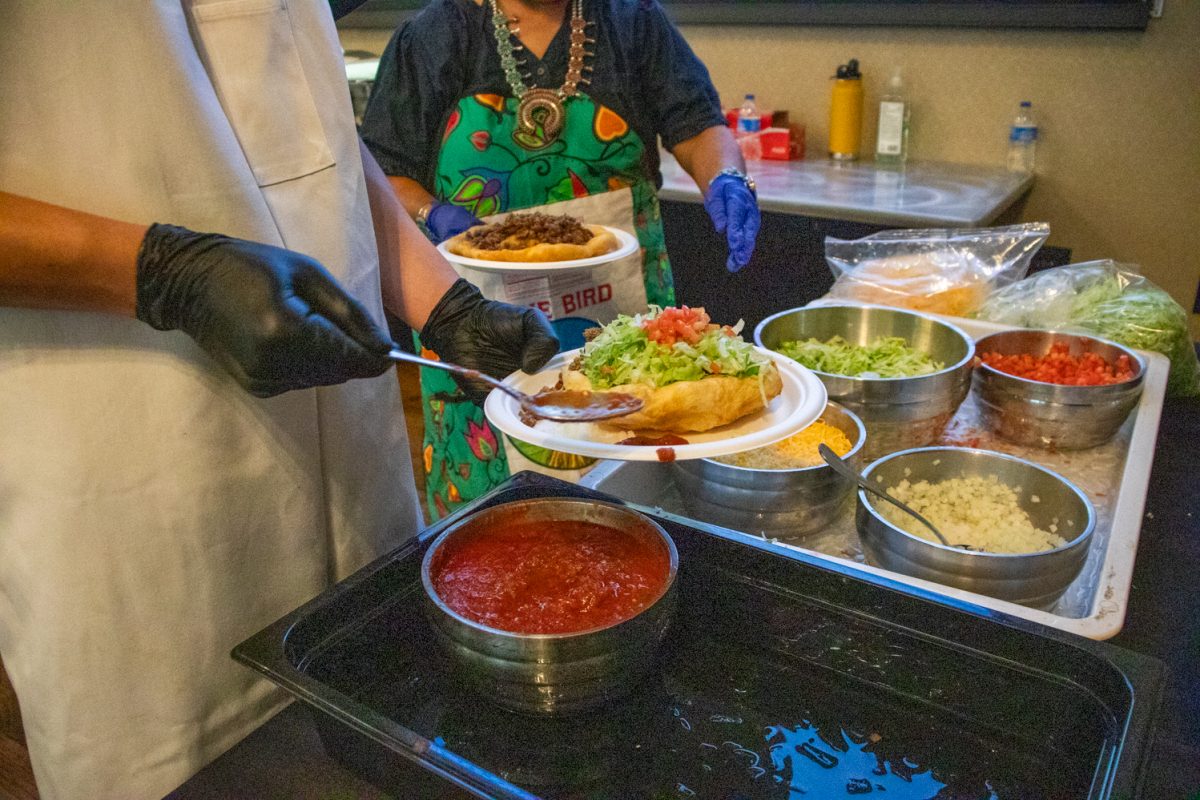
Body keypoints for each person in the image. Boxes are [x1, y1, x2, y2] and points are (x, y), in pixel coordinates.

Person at [0, 3, 555, 798]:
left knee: (379, 739)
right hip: (128, 463)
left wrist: (444, 304)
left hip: (354, 467)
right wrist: (161, 273)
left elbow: (312, 135)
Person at [361, 0, 762, 518]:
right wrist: (430, 211)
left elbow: (700, 127)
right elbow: (384, 172)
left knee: (631, 504)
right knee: (496, 523)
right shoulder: (432, 37)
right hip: (475, 320)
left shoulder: (634, 22)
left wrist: (726, 176)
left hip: (625, 324)